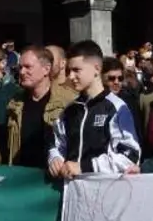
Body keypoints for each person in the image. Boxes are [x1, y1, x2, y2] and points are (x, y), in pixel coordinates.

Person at [47, 41, 141, 179]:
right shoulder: (70, 110)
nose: (70, 76)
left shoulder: (116, 107)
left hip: (105, 194)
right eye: (68, 71)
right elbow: (56, 144)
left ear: (96, 69)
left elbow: (129, 156)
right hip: (72, 194)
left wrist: (84, 167)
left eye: (76, 70)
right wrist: (54, 158)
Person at [5, 45, 74, 168]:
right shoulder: (15, 103)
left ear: (46, 70)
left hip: (54, 176)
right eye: (20, 67)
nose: (22, 72)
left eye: (28, 67)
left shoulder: (68, 101)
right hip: (21, 174)